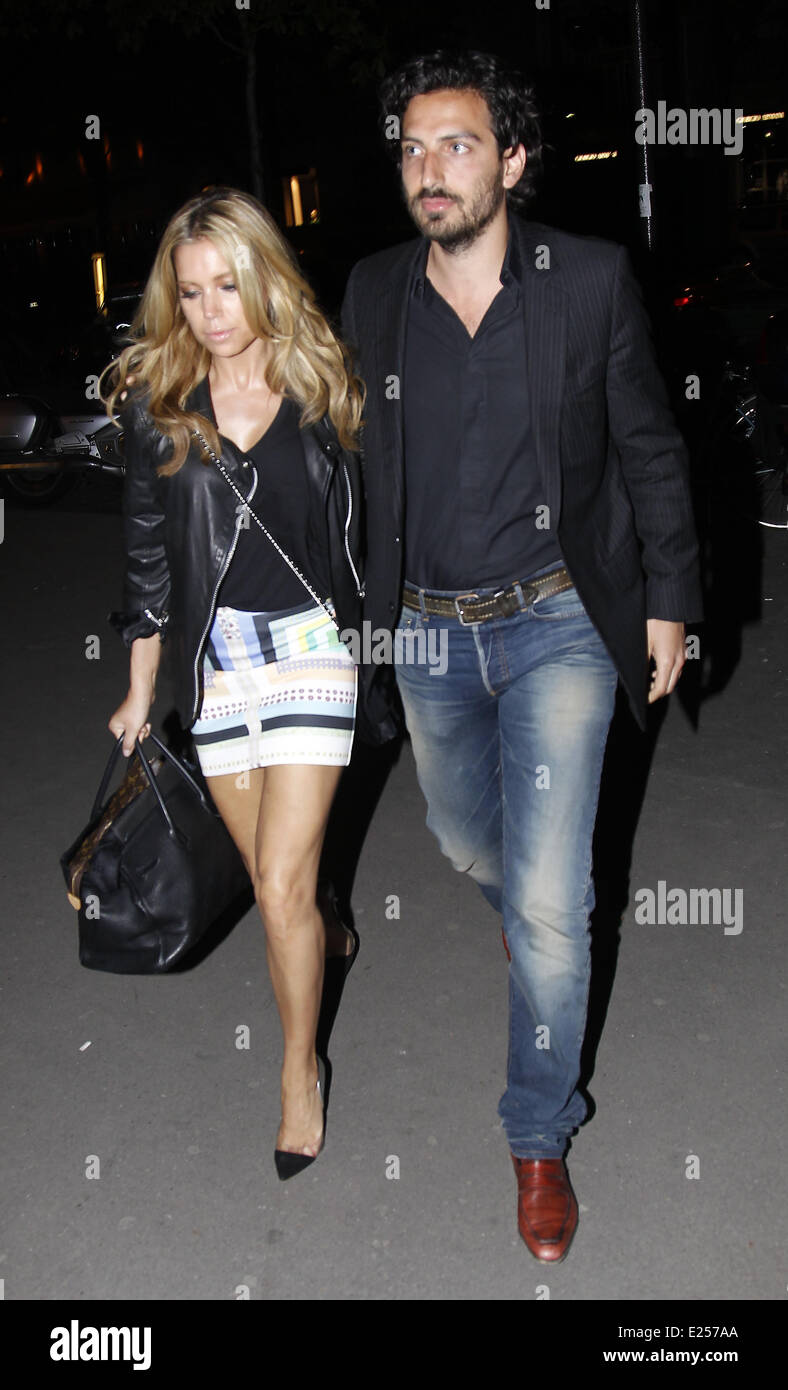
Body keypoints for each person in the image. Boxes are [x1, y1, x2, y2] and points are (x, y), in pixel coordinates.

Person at [342, 51, 703, 1262]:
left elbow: (649, 444)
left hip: (557, 620)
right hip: (426, 629)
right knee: (460, 841)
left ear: (509, 159)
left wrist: (668, 597)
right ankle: (532, 913)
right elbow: (336, 463)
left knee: (551, 908)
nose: (427, 168)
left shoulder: (585, 283)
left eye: (454, 145)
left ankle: (537, 1136)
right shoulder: (373, 291)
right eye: (410, 148)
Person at [106, 187, 370, 1179]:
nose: (213, 309)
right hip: (219, 667)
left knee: (274, 885)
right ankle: (325, 924)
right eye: (192, 291)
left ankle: (298, 1074)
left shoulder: (324, 384)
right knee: (281, 884)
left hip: (309, 650)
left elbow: (369, 520)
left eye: (229, 283)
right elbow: (144, 566)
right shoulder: (159, 409)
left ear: (264, 277)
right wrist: (140, 687)